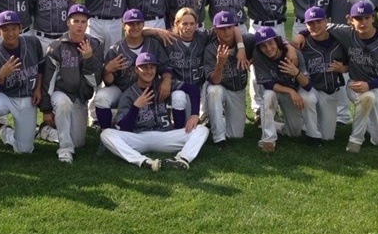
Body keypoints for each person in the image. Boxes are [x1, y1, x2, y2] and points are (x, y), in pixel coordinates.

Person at [312, 1, 378, 152]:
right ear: (350, 20)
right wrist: (301, 35)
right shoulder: (346, 32)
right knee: (367, 98)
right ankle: (355, 140)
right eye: (358, 18)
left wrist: (370, 85)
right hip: (355, 84)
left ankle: (368, 122)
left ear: (373, 18)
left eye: (366, 17)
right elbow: (317, 27)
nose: (363, 22)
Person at [100, 52, 209, 171]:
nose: (148, 71)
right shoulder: (128, 95)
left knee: (202, 130)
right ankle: (143, 161)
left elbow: (193, 89)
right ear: (136, 70)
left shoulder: (162, 85)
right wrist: (136, 107)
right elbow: (125, 128)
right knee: (106, 134)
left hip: (165, 136)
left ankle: (182, 160)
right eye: (144, 67)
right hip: (139, 137)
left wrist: (194, 114)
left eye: (152, 67)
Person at [0, 11, 45, 173]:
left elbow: (41, 66)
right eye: (5, 29)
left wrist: (38, 88)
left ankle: (5, 131)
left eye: (13, 28)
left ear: (20, 28)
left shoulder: (32, 43)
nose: (10, 33)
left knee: (24, 149)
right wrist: (0, 76)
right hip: (4, 97)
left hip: (26, 98)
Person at [40, 4, 104, 163]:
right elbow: (49, 80)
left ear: (87, 23)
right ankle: (65, 151)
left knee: (79, 142)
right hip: (60, 93)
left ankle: (47, 132)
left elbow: (95, 81)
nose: (80, 25)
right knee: (63, 104)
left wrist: (89, 59)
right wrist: (47, 109)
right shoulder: (57, 46)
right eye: (76, 21)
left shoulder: (96, 45)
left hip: (80, 97)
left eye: (83, 21)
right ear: (68, 22)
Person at [93, 9, 171, 131]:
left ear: (143, 25)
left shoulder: (153, 44)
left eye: (138, 23)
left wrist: (166, 80)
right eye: (131, 24)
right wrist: (107, 70)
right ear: (123, 25)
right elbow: (109, 82)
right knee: (101, 97)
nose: (135, 27)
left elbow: (165, 66)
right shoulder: (116, 50)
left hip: (149, 90)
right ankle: (107, 133)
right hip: (122, 90)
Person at [331, 0, 378, 125]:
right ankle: (342, 115)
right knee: (340, 71)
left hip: (363, 33)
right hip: (340, 33)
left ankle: (370, 114)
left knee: (366, 71)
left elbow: (370, 6)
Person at [253, 26, 322, 152]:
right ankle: (268, 139)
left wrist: (296, 73)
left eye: (270, 43)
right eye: (263, 46)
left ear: (277, 42)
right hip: (279, 91)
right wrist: (291, 91)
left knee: (294, 132)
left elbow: (307, 85)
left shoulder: (293, 54)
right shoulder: (259, 55)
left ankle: (272, 125)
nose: (268, 48)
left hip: (294, 91)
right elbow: (268, 84)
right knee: (268, 95)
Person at [204, 11, 255, 148]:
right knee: (214, 91)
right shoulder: (210, 49)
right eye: (222, 28)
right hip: (220, 86)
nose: (226, 31)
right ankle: (219, 138)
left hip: (237, 90)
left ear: (234, 27)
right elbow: (214, 80)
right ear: (215, 30)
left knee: (236, 135)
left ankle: (218, 118)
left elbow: (273, 42)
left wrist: (253, 57)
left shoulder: (247, 41)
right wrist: (220, 64)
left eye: (229, 27)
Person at [299, 6, 348, 140]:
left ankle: (308, 125)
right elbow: (286, 46)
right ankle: (311, 134)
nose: (315, 26)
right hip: (311, 88)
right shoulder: (303, 44)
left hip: (329, 91)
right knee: (307, 99)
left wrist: (344, 69)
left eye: (318, 21)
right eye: (310, 23)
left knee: (328, 137)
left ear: (326, 21)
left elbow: (353, 62)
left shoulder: (339, 41)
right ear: (306, 25)